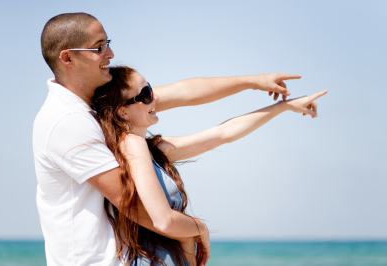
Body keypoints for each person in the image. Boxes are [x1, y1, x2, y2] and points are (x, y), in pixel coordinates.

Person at [34, 12, 306, 266]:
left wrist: (255, 81)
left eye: (108, 43)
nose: (111, 53)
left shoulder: (100, 106)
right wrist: (195, 231)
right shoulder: (68, 122)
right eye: (99, 47)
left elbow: (185, 91)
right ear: (67, 58)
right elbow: (137, 207)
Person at [91, 66, 327, 265]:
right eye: (145, 95)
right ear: (122, 112)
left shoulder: (146, 149)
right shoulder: (132, 144)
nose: (156, 98)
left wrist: (284, 106)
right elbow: (164, 220)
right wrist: (199, 229)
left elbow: (224, 133)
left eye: (151, 89)